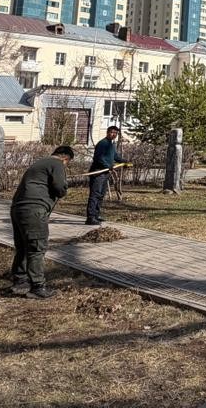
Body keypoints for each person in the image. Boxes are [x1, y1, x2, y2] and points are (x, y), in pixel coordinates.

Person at [10, 145, 73, 299]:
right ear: (65, 158)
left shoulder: (39, 163)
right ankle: (37, 286)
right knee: (37, 247)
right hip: (34, 209)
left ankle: (20, 281)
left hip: (18, 208)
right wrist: (65, 187)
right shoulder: (57, 163)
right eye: (68, 163)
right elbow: (59, 187)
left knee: (23, 247)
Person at [87, 126, 121, 225]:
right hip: (98, 172)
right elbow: (98, 158)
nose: (114, 134)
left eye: (116, 133)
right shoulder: (103, 143)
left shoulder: (111, 144)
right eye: (112, 132)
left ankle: (96, 215)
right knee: (95, 194)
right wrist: (108, 166)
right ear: (107, 132)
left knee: (101, 195)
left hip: (105, 173)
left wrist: (125, 161)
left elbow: (115, 156)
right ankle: (90, 217)